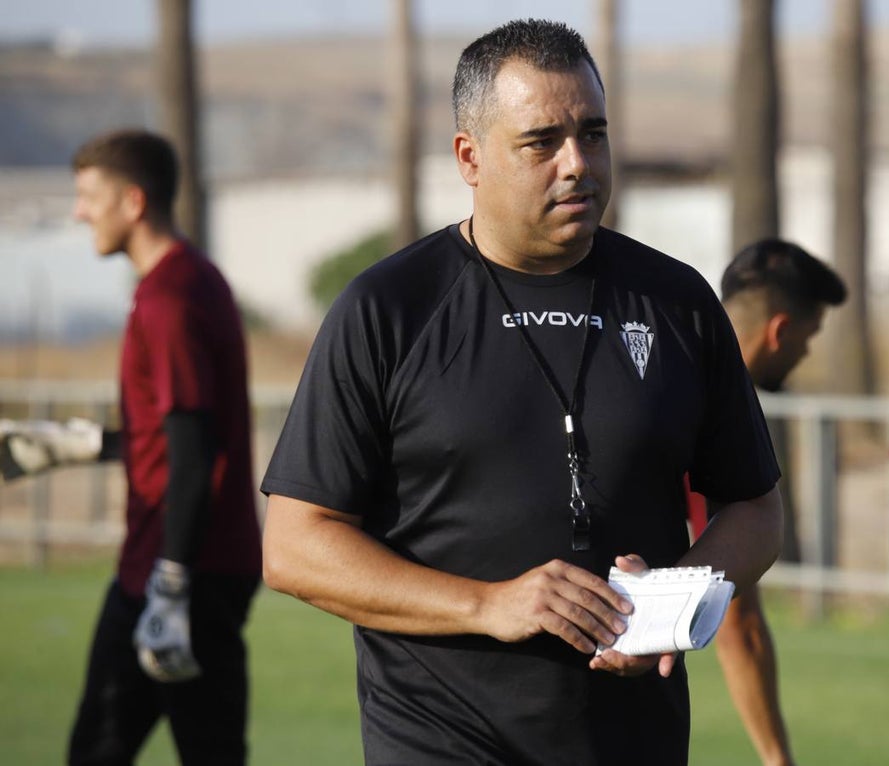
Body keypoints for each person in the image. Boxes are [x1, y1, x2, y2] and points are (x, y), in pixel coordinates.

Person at [260, 19, 784, 766]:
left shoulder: (676, 301)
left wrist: (670, 601)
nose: (577, 164)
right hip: (440, 740)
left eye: (593, 135)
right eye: (542, 142)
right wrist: (488, 604)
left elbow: (756, 508)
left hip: (634, 740)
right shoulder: (390, 308)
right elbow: (294, 545)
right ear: (469, 157)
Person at [0, 129, 263, 764]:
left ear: (134, 202)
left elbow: (196, 449)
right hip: (189, 566)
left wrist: (171, 584)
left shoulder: (168, 298)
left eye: (90, 195)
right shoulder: (193, 280)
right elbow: (180, 434)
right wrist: (82, 444)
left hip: (174, 571)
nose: (78, 212)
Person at [686, 238, 846, 765]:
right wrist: (778, 758)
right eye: (809, 335)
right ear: (779, 331)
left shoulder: (666, 358)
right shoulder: (708, 406)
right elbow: (732, 614)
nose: (806, 352)